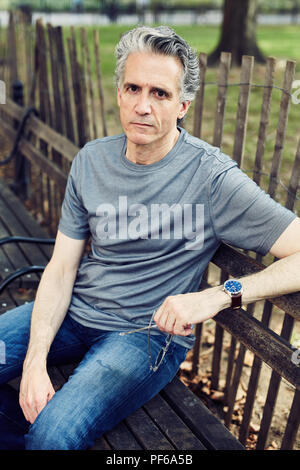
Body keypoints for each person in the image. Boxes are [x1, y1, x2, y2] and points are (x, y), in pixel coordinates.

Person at [0, 25, 300, 450]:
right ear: (119, 94)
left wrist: (219, 295)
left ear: (183, 105)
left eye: (159, 93)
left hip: (142, 338)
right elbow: (63, 266)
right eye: (133, 88)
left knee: (52, 436)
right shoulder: (91, 161)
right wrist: (34, 360)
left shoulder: (212, 178)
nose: (143, 106)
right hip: (71, 314)